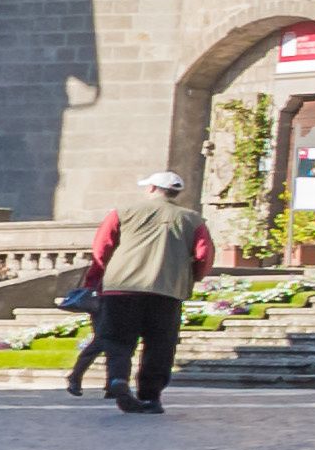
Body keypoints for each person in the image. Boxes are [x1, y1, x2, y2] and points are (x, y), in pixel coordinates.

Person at [90, 176, 210, 414]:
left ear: (153, 188)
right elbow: (203, 254)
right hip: (167, 291)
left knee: (118, 339)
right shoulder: (192, 219)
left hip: (121, 287)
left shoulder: (123, 212)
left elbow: (101, 247)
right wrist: (192, 277)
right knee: (160, 345)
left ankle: (117, 380)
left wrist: (95, 277)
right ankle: (150, 396)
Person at [58, 202, 127, 397]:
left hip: (119, 293)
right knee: (104, 339)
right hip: (104, 294)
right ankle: (80, 377)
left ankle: (106, 382)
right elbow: (98, 262)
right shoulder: (116, 247)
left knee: (110, 339)